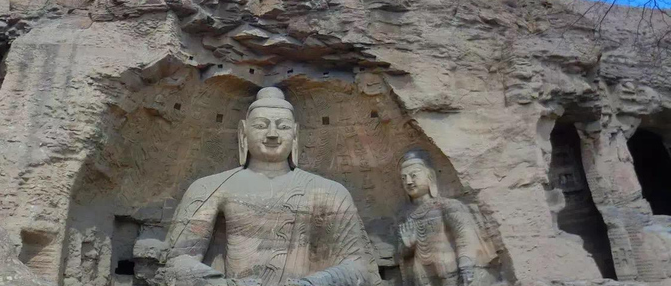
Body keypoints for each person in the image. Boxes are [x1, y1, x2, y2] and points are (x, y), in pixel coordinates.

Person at [162, 87, 381, 286]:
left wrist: (312, 283)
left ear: (295, 133)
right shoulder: (212, 188)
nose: (273, 134)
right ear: (243, 131)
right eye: (261, 125)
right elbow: (177, 264)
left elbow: (359, 268)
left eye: (283, 126)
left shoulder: (329, 192)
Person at [396, 150, 497, 286]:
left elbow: (465, 235)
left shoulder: (447, 206)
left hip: (449, 272)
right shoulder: (405, 217)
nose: (408, 182)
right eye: (404, 178)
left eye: (414, 175)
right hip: (422, 277)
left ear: (430, 176)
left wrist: (466, 264)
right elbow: (402, 256)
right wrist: (407, 246)